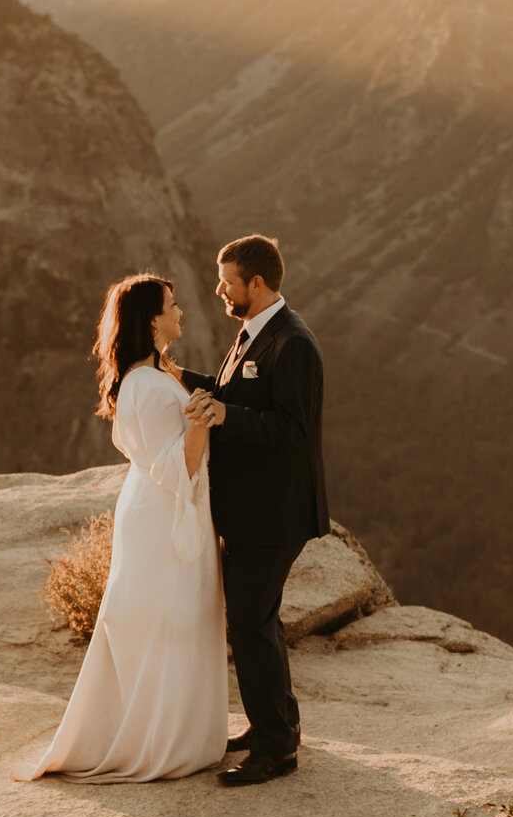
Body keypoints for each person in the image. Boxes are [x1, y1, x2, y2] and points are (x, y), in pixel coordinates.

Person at [26, 274, 229, 782]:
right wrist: (203, 420)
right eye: (172, 305)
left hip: (156, 510)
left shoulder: (147, 377)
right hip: (165, 515)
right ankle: (162, 740)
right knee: (171, 615)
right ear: (151, 320)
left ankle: (170, 730)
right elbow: (176, 467)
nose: (180, 311)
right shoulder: (151, 387)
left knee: (168, 615)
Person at [180, 234, 328, 787]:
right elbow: (234, 397)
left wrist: (223, 416)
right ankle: (278, 723)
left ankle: (275, 750)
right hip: (250, 512)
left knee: (247, 622)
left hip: (275, 516)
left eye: (228, 281)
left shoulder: (294, 345)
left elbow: (294, 430)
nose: (220, 289)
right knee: (258, 621)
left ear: (257, 284)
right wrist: (178, 379)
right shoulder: (251, 334)